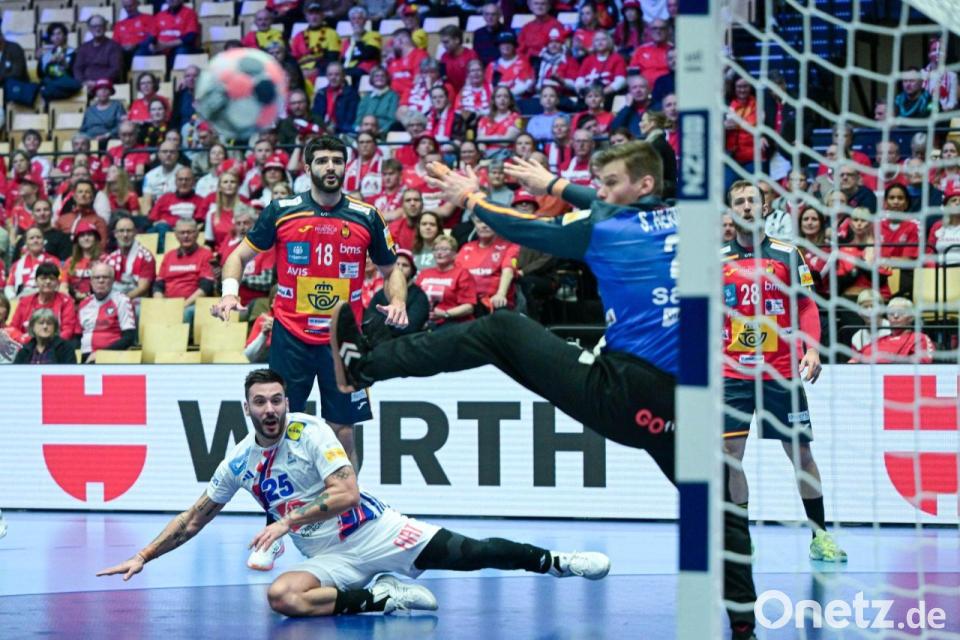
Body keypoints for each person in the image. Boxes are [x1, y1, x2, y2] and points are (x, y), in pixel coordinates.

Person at [327, 143, 758, 640]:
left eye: (611, 182)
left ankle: (365, 367)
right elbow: (609, 203)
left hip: (625, 393)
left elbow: (525, 229)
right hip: (689, 407)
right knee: (723, 512)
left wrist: (471, 198)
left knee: (502, 329)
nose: (600, 191)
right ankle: (744, 623)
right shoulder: (691, 219)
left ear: (643, 184)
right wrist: (554, 185)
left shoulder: (604, 229)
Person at [97, 369, 610, 615]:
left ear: (286, 402)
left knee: (473, 554)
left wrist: (285, 521)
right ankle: (380, 597)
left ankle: (556, 562)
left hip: (375, 530)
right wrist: (143, 555)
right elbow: (193, 518)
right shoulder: (239, 462)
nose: (271, 409)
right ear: (246, 408)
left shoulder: (309, 430)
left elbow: (346, 493)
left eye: (277, 400)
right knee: (282, 597)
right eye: (260, 403)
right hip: (328, 557)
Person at [212, 136, 409, 569]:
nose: (330, 167)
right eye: (322, 160)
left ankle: (348, 519)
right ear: (308, 167)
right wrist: (228, 293)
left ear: (346, 166)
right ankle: (275, 528)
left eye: (337, 160)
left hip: (344, 340)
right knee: (277, 430)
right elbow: (237, 257)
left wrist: (397, 300)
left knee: (343, 431)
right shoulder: (282, 210)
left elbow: (392, 269)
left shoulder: (366, 215)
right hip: (291, 336)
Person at [721, 180, 846, 563]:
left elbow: (806, 306)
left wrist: (812, 349)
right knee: (729, 454)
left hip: (780, 373)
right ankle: (740, 539)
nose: (746, 206)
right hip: (733, 374)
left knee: (801, 454)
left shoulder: (788, 254)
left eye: (752, 200)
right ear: (731, 211)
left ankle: (820, 535)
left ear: (765, 207)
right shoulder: (717, 258)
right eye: (739, 202)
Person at [153, 218, 214, 325]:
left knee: (185, 314)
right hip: (169, 304)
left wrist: (183, 306)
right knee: (142, 311)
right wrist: (161, 305)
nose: (186, 236)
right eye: (182, 233)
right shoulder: (169, 256)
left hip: (192, 304)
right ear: (176, 235)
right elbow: (158, 285)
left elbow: (205, 288)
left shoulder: (206, 255)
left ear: (197, 234)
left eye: (189, 232)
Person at [363, 248, 429, 341]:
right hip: (378, 343)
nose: (399, 268)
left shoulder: (419, 295)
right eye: (397, 264)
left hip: (406, 343)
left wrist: (382, 324)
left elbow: (411, 327)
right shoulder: (380, 293)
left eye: (405, 265)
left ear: (412, 270)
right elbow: (368, 320)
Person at [77, 262, 136, 363]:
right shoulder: (84, 304)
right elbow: (77, 336)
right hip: (85, 356)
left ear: (112, 281)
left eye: (105, 277)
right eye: (97, 277)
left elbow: (129, 337)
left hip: (111, 357)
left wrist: (101, 354)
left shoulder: (122, 301)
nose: (101, 281)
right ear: (91, 281)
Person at [848, 297, 934, 364]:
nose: (895, 316)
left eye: (900, 312)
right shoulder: (879, 341)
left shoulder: (920, 338)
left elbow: (923, 365)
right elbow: (854, 361)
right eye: (891, 313)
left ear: (911, 317)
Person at [9, 262, 79, 343]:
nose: (48, 281)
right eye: (43, 278)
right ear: (36, 281)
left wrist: (50, 344)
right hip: (26, 345)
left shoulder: (66, 301)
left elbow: (68, 330)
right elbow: (13, 328)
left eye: (52, 278)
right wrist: (25, 340)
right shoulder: (25, 301)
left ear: (57, 282)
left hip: (56, 346)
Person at [103, 215, 156, 302]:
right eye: (121, 231)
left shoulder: (146, 257)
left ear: (135, 233)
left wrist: (121, 301)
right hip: (114, 298)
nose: (125, 235)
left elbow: (143, 288)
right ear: (115, 234)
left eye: (129, 231)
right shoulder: (111, 258)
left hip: (136, 300)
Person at [12, 308, 77, 364]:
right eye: (41, 323)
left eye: (49, 323)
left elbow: (70, 373)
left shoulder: (66, 348)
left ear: (55, 327)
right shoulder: (24, 350)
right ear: (32, 327)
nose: (45, 326)